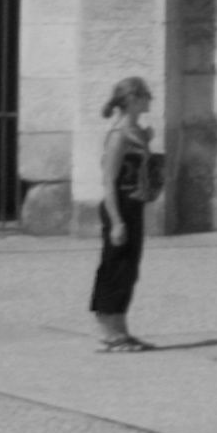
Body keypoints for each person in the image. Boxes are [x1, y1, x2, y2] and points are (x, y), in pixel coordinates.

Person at [90, 78, 162, 351]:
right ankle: (108, 332)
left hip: (134, 204)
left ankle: (121, 329)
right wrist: (117, 221)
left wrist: (147, 141)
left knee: (128, 270)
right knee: (114, 267)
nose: (150, 100)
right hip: (118, 205)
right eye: (145, 96)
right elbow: (108, 180)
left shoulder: (136, 131)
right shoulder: (118, 135)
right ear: (132, 99)